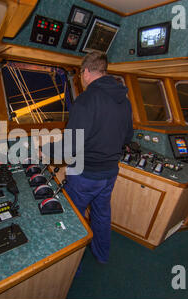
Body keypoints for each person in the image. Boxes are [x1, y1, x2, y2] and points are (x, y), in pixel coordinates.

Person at [44, 52, 133, 264]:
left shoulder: (86, 100)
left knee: (73, 217)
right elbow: (127, 136)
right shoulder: (125, 100)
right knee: (101, 215)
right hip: (110, 172)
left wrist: (44, 151)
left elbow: (71, 145)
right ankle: (102, 256)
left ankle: (72, 265)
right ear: (104, 71)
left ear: (85, 73)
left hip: (85, 174)